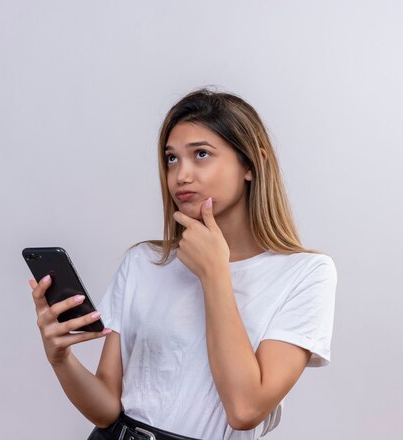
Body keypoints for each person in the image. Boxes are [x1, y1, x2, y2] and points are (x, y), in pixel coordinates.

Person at [28, 88, 338, 440]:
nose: (181, 175)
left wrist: (214, 272)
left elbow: (245, 409)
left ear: (252, 164)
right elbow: (107, 408)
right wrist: (60, 360)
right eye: (172, 159)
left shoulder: (306, 274)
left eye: (201, 154)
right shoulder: (144, 262)